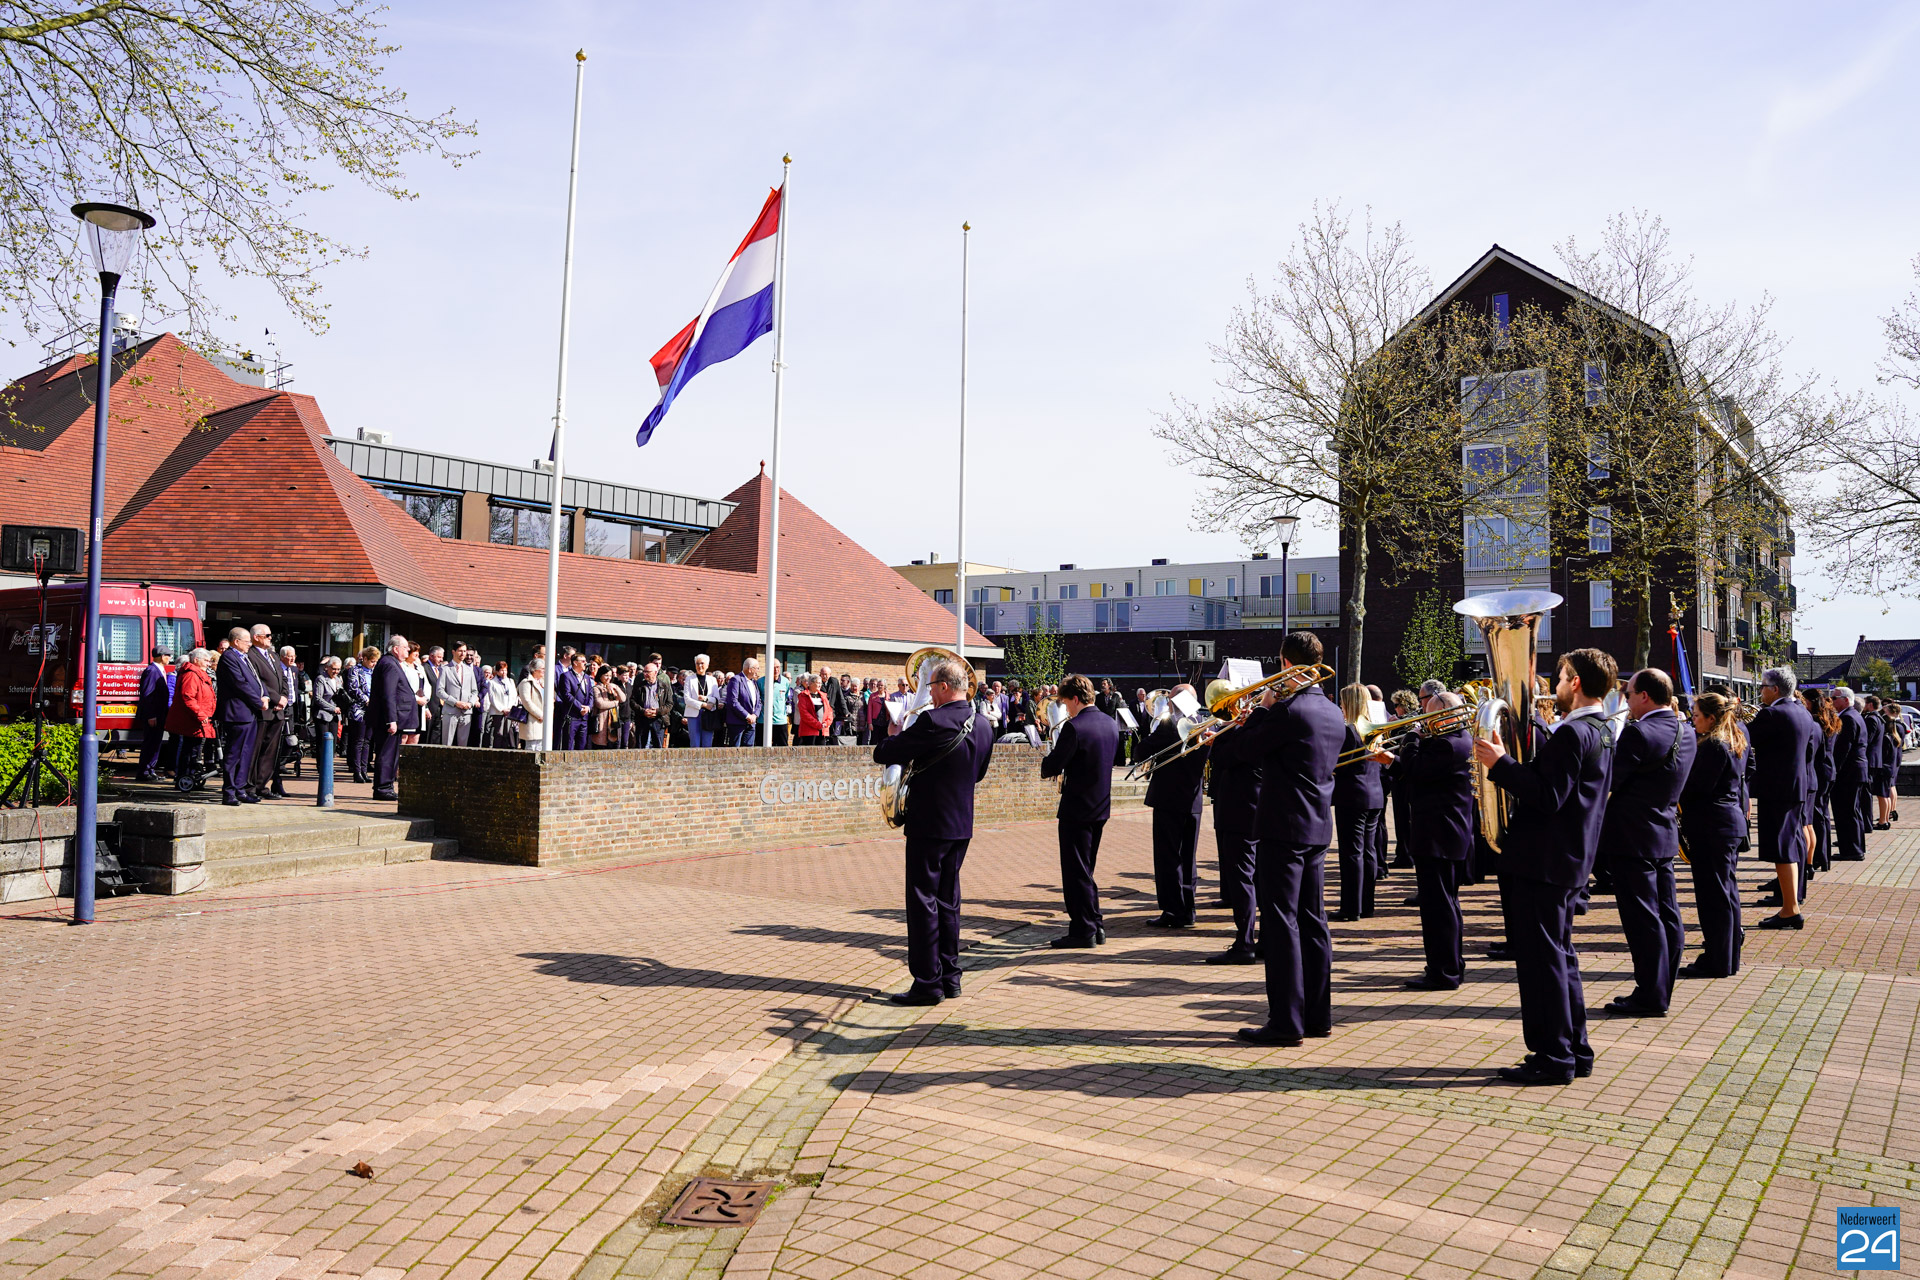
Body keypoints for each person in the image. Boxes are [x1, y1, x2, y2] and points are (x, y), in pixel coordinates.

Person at [1471, 647, 1618, 1086]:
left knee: (1542, 964)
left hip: (1545, 862)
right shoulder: (1601, 728)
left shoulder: (1574, 733)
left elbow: (1548, 795)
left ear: (1576, 682)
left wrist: (1500, 764)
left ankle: (1553, 1057)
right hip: (1565, 861)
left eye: (1562, 676)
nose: (1556, 685)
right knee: (1559, 959)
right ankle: (1573, 1049)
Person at [1233, 631, 1342, 1047]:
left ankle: (1285, 1022)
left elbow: (1244, 750)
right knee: (1314, 921)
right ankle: (1317, 1017)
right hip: (1316, 826)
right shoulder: (1331, 710)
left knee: (1281, 923)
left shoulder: (1288, 710)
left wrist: (1261, 709)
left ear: (1285, 664)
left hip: (1282, 827)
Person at [873, 654, 995, 1005]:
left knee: (923, 901)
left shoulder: (932, 721)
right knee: (948, 901)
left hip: (928, 823)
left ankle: (928, 983)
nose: (927, 693)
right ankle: (951, 977)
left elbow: (885, 752)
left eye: (930, 687)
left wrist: (895, 733)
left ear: (943, 687)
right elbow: (979, 773)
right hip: (961, 824)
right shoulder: (983, 724)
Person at [1598, 668, 1695, 1018]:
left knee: (1642, 920)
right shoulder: (1686, 730)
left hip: (1632, 838)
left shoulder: (1638, 732)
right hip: (1663, 834)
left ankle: (1650, 995)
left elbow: (1609, 780)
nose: (1625, 700)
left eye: (1628, 694)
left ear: (1644, 696)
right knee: (1668, 914)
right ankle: (1660, 990)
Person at [1379, 689, 1474, 989]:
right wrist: (1392, 761)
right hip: (1444, 834)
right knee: (1445, 904)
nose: (1424, 720)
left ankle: (1443, 971)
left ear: (1443, 715)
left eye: (1428, 714)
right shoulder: (1455, 739)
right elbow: (1421, 773)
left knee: (1438, 908)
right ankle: (1450, 965)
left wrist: (1411, 737)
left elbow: (1419, 768)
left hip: (1438, 834)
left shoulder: (1448, 743)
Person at [1039, 674, 1119, 948]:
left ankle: (1083, 930)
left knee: (1076, 872)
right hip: (1100, 806)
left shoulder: (1074, 727)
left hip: (1077, 808)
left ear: (1075, 699)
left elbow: (1052, 766)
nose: (1066, 708)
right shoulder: (1109, 723)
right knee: (1086, 869)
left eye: (1065, 703)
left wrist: (1048, 752)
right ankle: (1095, 924)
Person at [1678, 692, 1748, 979]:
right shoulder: (1732, 739)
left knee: (1713, 898)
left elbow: (1697, 788)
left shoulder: (1714, 745)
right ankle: (1726, 958)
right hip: (1724, 824)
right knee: (1725, 895)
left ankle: (1717, 960)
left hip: (1712, 826)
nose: (1692, 720)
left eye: (1696, 715)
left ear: (1710, 718)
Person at [1750, 666, 1818, 929]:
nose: (1761, 692)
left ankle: (1790, 909)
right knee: (1790, 845)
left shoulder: (1772, 714)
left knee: (1782, 850)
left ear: (1775, 689)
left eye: (1763, 687)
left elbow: (1743, 737)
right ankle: (1791, 905)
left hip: (1776, 790)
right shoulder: (1802, 712)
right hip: (1796, 787)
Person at [1137, 683, 1208, 929]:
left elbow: (1140, 751)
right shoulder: (1203, 723)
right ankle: (1188, 910)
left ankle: (1173, 910)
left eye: (1169, 700)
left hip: (1168, 800)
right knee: (1188, 857)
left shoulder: (1169, 725)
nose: (1167, 703)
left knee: (1168, 857)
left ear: (1176, 701)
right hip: (1193, 801)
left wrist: (1156, 723)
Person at [1204, 691, 1264, 965]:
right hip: (1256, 811)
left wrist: (1223, 734)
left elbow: (1224, 757)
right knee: (1256, 878)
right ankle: (1261, 939)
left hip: (1240, 813)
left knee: (1242, 879)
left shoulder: (1254, 731)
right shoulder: (1261, 728)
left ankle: (1244, 942)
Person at [1331, 683, 1383, 922]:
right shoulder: (1375, 729)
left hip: (1352, 796)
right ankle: (1367, 905)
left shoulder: (1349, 731)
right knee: (1368, 851)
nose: (1341, 706)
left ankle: (1351, 907)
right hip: (1374, 795)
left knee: (1352, 852)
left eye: (1343, 702)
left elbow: (1338, 766)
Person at [215, 627, 265, 805]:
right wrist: (258, 701)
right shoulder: (229, 657)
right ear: (236, 642)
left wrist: (265, 695)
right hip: (237, 713)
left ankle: (240, 789)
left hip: (249, 713)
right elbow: (240, 684)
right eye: (247, 641)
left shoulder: (244, 657)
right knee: (234, 754)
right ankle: (229, 792)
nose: (250, 644)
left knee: (246, 753)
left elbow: (256, 680)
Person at [241, 624, 290, 799]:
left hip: (277, 711)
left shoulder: (273, 655)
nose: (271, 638)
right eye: (267, 635)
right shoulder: (250, 656)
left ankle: (262, 786)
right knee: (256, 750)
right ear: (256, 637)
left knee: (270, 751)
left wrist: (284, 698)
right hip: (262, 710)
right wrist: (276, 699)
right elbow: (257, 681)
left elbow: (283, 678)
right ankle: (250, 787)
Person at [369, 634, 414, 799]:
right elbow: (388, 694)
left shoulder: (391, 662)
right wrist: (391, 720)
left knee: (392, 754)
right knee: (386, 754)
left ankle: (387, 786)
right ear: (396, 649)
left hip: (393, 718)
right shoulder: (389, 664)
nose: (408, 650)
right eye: (405, 648)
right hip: (387, 720)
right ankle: (383, 788)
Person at [167, 647, 218, 789]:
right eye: (206, 661)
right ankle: (185, 778)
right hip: (193, 720)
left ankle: (191, 777)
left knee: (194, 750)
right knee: (190, 751)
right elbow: (188, 697)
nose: (208, 664)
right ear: (196, 660)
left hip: (198, 719)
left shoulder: (198, 674)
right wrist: (200, 714)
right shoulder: (191, 674)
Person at [1799, 688, 1837, 878]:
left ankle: (1818, 857)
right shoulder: (1829, 717)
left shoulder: (1814, 721)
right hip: (1828, 768)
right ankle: (1823, 856)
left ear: (1811, 702)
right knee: (1822, 814)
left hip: (1819, 769)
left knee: (1816, 816)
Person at [1829, 686, 1869, 862]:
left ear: (1845, 700)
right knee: (1853, 811)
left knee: (1846, 812)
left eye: (1834, 698)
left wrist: (1834, 771)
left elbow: (1843, 749)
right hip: (1855, 771)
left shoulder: (1848, 718)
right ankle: (1856, 847)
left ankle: (1851, 850)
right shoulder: (1854, 715)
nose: (1831, 701)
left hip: (1848, 773)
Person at [135, 645, 174, 781]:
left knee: (155, 743)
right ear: (162, 656)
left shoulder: (159, 670)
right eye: (168, 655)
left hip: (159, 714)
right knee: (150, 743)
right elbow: (148, 694)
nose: (170, 658)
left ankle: (150, 770)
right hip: (153, 715)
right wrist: (151, 715)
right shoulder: (152, 671)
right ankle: (144, 772)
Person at [437, 643, 479, 746]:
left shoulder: (469, 670)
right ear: (453, 652)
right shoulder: (445, 669)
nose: (463, 653)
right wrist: (455, 702)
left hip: (466, 712)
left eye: (464, 651)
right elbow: (439, 691)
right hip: (450, 711)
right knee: (446, 744)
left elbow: (474, 691)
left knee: (463, 746)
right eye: (460, 651)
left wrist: (470, 703)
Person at [345, 649, 374, 781]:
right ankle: (357, 772)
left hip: (372, 709)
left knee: (367, 741)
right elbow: (353, 688)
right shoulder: (355, 670)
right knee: (359, 741)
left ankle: (364, 770)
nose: (374, 664)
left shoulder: (374, 671)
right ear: (365, 659)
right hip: (359, 709)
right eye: (372, 661)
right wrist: (366, 699)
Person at [719, 658, 762, 747]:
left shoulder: (754, 682)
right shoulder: (736, 680)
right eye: (757, 668)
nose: (758, 671)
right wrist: (747, 716)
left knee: (749, 751)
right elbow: (733, 701)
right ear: (750, 669)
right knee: (735, 751)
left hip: (751, 724)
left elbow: (759, 702)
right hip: (737, 723)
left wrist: (755, 715)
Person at [1861, 694, 1886, 838]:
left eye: (1865, 703)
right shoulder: (1879, 718)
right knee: (1867, 793)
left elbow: (1867, 740)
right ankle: (1867, 822)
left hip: (1869, 760)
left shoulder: (1871, 719)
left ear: (1870, 704)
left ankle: (1866, 823)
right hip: (1874, 760)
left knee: (1865, 795)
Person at [682, 654, 721, 747]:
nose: (699, 666)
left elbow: (717, 698)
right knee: (695, 743)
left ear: (707, 665)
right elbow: (687, 699)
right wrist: (703, 705)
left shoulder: (712, 680)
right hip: (693, 714)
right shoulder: (689, 679)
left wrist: (706, 699)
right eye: (697, 663)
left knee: (707, 744)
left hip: (708, 715)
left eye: (702, 663)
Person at [483, 661, 516, 747]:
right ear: (497, 671)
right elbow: (492, 698)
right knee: (498, 733)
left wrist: (509, 708)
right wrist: (502, 709)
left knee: (507, 733)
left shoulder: (510, 681)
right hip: (498, 712)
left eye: (505, 670)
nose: (504, 672)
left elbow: (514, 695)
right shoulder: (492, 682)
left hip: (509, 710)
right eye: (501, 670)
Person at [517, 658, 548, 749]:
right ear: (535, 670)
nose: (544, 671)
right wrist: (540, 715)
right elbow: (527, 702)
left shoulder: (544, 683)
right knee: (532, 747)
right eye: (542, 668)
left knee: (541, 747)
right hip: (532, 720)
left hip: (543, 720)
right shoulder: (526, 682)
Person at [796, 674, 833, 745]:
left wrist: (827, 723)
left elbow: (829, 711)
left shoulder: (823, 695)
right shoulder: (803, 695)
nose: (820, 685)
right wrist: (817, 725)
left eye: (820, 683)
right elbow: (804, 714)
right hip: (809, 731)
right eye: (818, 683)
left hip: (822, 730)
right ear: (811, 683)